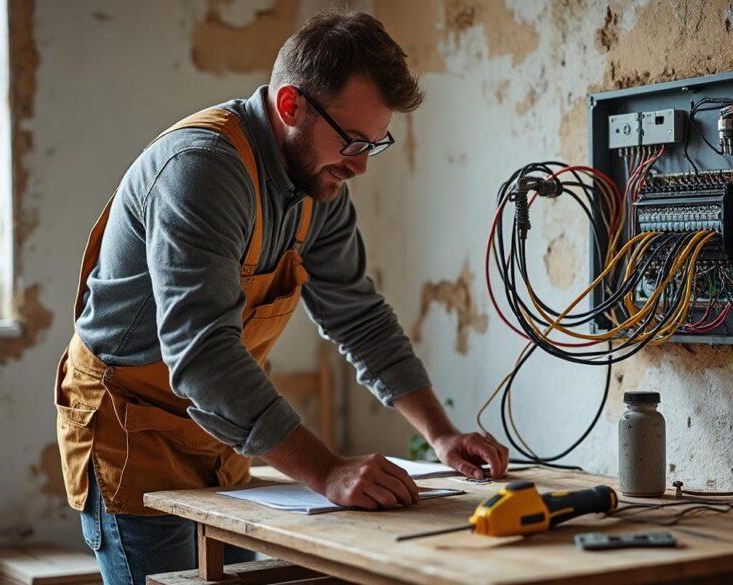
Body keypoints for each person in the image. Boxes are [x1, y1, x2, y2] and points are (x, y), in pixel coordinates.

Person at [54, 9, 507, 584]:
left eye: (377, 143)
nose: (362, 165)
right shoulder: (202, 170)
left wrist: (439, 434)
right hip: (131, 435)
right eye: (352, 140)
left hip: (222, 440)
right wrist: (327, 471)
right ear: (291, 106)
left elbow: (359, 316)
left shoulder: (320, 182)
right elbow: (202, 353)